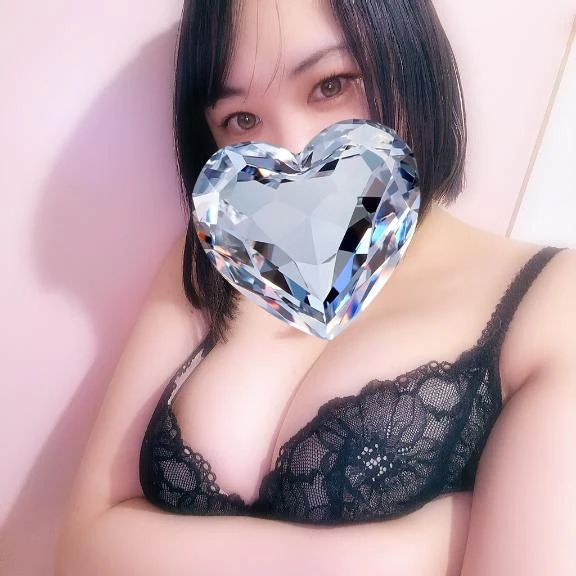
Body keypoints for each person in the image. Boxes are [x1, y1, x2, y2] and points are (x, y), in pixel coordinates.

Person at [55, 1, 576, 575]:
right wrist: (391, 557)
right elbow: (80, 551)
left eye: (331, 85)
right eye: (242, 120)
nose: (291, 151)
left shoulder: (553, 301)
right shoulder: (210, 262)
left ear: (410, 56)